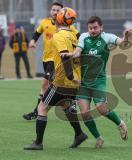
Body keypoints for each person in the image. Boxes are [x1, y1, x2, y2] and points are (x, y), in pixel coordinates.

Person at [61, 16, 132, 148]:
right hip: (84, 82)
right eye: (90, 28)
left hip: (98, 80)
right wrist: (70, 55)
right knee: (84, 113)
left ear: (101, 27)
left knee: (101, 109)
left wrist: (126, 37)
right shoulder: (83, 37)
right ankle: (98, 138)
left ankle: (120, 124)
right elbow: (77, 52)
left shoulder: (107, 38)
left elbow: (123, 44)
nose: (92, 30)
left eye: (95, 28)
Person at [24, 7, 87, 150]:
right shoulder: (74, 35)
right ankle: (79, 134)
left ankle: (38, 143)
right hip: (74, 81)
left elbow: (65, 58)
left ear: (59, 19)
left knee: (42, 107)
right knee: (66, 106)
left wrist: (70, 76)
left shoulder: (59, 36)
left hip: (63, 80)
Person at [22, 2, 80, 120]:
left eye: (58, 11)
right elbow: (37, 34)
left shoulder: (67, 26)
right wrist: (33, 41)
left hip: (57, 60)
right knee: (50, 85)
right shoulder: (45, 23)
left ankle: (38, 111)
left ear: (62, 14)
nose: (55, 12)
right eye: (53, 10)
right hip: (46, 59)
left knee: (46, 84)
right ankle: (69, 104)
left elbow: (80, 38)